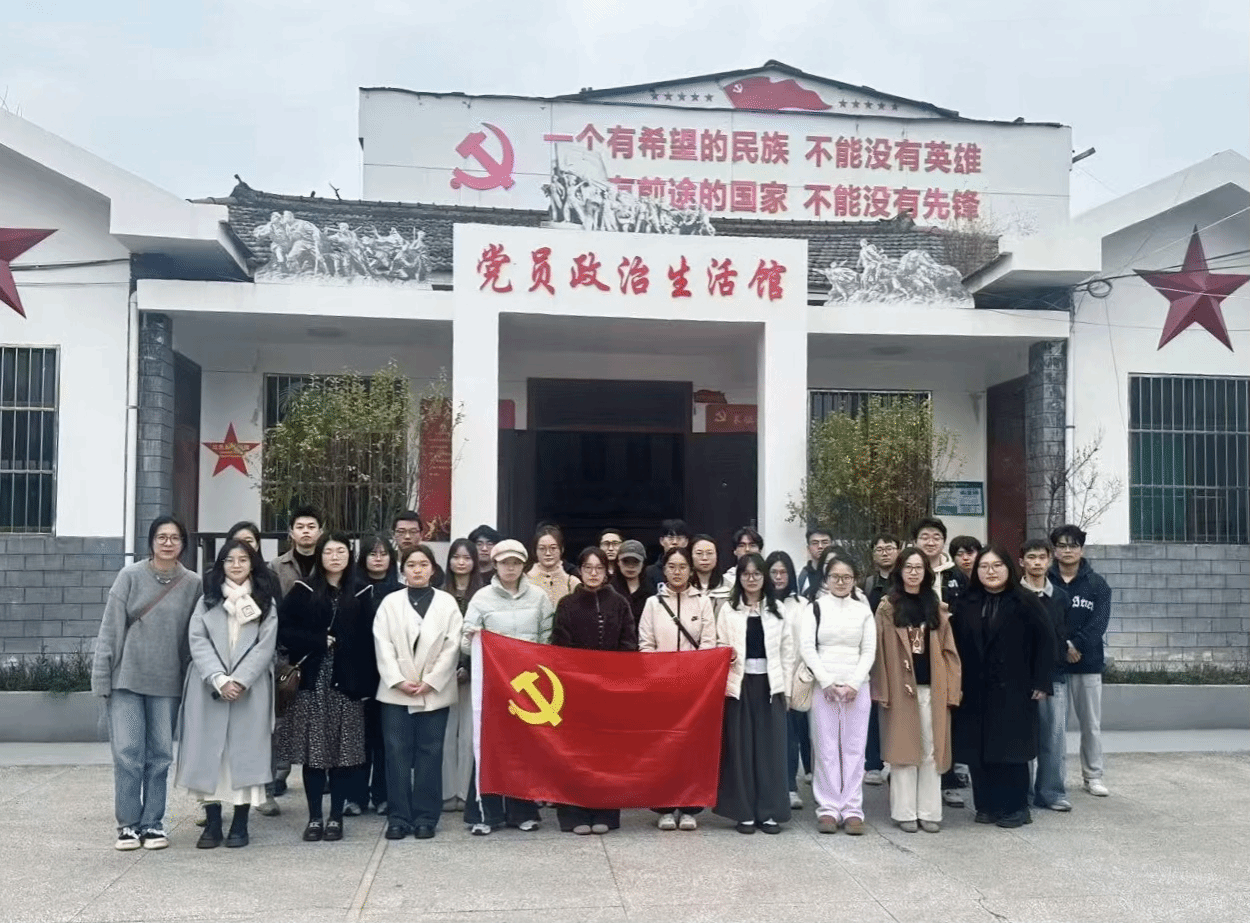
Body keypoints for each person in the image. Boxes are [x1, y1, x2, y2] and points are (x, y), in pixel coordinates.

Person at [91, 516, 203, 851]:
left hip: (167, 683)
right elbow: (110, 629)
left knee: (160, 756)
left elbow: (194, 637)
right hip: (126, 680)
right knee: (128, 755)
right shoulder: (129, 576)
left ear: (183, 544)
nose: (168, 543)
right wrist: (101, 677)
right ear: (151, 541)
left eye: (174, 537)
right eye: (161, 537)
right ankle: (127, 825)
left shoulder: (193, 583)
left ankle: (153, 824)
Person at [177, 540, 280, 849]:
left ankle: (240, 823)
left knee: (243, 758)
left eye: (243, 559)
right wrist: (219, 679)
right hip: (209, 688)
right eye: (230, 560)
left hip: (250, 691)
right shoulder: (207, 601)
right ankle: (212, 824)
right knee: (209, 757)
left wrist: (240, 680)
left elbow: (265, 647)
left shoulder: (265, 602)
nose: (236, 565)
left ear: (253, 564)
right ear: (220, 565)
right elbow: (197, 640)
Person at [276, 532, 378, 843]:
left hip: (347, 685)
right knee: (314, 755)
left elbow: (370, 642)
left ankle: (336, 817)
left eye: (341, 551)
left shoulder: (362, 591)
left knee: (342, 756)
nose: (335, 557)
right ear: (320, 556)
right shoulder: (303, 590)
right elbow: (283, 630)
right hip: (313, 684)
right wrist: (317, 640)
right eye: (329, 552)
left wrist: (366, 685)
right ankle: (314, 817)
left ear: (350, 556)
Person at [950, 545, 1053, 828]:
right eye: (984, 566)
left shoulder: (1025, 601)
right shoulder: (966, 602)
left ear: (1009, 568)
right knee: (979, 749)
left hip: (1015, 688)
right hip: (974, 688)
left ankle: (1016, 808)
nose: (991, 572)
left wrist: (1042, 681)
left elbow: (1046, 642)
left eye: (997, 566)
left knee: (1011, 751)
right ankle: (986, 806)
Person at [461, 539, 556, 835]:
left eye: (516, 563)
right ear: (495, 565)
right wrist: (474, 638)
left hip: (528, 686)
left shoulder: (539, 597)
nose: (510, 568)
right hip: (494, 684)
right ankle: (484, 814)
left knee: (522, 748)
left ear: (523, 565)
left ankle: (522, 813)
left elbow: (547, 638)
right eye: (505, 563)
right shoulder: (481, 598)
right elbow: (464, 642)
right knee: (489, 746)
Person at [373, 544, 463, 840]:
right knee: (396, 753)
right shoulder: (390, 603)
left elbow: (452, 646)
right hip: (395, 692)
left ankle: (426, 817)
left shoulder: (447, 603)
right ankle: (398, 817)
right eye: (411, 565)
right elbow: (382, 644)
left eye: (423, 564)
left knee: (430, 753)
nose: (417, 570)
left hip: (434, 691)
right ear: (403, 571)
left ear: (433, 569)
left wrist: (432, 680)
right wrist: (398, 680)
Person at [871, 547, 961, 833]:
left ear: (926, 572)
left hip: (933, 688)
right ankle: (905, 812)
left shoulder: (936, 607)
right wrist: (881, 690)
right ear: (899, 571)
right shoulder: (887, 607)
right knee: (903, 751)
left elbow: (949, 652)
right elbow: (878, 652)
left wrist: (952, 690)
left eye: (918, 568)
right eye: (908, 567)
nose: (913, 573)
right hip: (900, 689)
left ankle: (930, 812)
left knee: (932, 750)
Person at [551, 547, 638, 834]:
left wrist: (613, 677)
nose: (593, 573)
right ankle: (574, 814)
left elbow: (629, 644)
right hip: (575, 691)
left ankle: (606, 813)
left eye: (598, 568)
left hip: (610, 692)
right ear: (579, 570)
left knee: (607, 755)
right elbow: (560, 647)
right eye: (587, 568)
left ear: (607, 571)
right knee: (573, 754)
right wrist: (580, 677)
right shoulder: (567, 604)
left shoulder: (620, 603)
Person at [714, 553, 795, 834]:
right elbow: (719, 644)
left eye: (757, 574)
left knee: (770, 750)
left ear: (765, 577)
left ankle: (769, 813)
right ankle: (744, 812)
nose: (751, 579)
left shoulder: (777, 609)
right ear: (739, 577)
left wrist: (787, 691)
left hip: (770, 687)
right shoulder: (729, 610)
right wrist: (727, 655)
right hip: (739, 685)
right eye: (746, 574)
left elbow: (788, 652)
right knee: (741, 749)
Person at [638, 546, 717, 831]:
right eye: (671, 567)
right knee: (664, 748)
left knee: (692, 748)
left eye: (682, 567)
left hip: (694, 689)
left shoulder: (703, 602)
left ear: (690, 570)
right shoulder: (653, 604)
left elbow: (709, 643)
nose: (677, 572)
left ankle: (690, 808)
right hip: (662, 687)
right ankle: (664, 807)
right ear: (664, 570)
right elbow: (645, 644)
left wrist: (695, 675)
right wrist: (658, 675)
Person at [801, 552, 876, 835]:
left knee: (855, 749)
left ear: (854, 579)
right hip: (824, 687)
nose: (841, 582)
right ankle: (829, 808)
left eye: (847, 577)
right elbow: (807, 648)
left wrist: (855, 683)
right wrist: (826, 681)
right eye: (835, 577)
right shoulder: (815, 608)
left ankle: (853, 808)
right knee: (826, 747)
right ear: (826, 579)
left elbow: (868, 649)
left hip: (858, 686)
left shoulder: (863, 610)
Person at [1047, 524, 1113, 798]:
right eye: (1062, 545)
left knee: (1091, 725)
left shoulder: (1097, 584)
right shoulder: (1045, 581)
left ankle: (1093, 776)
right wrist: (1063, 646)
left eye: (1073, 545)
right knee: (1054, 728)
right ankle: (1055, 779)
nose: (1067, 550)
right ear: (1054, 550)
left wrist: (1076, 645)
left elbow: (1099, 623)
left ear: (1081, 550)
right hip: (1054, 664)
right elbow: (1043, 620)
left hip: (1088, 664)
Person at [912, 517, 969, 808]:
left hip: (949, 652)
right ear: (915, 541)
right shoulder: (909, 571)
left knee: (948, 718)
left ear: (943, 541)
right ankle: (912, 780)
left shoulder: (957, 575)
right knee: (917, 720)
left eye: (936, 537)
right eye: (925, 536)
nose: (930, 542)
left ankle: (948, 780)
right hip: (918, 657)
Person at [345, 535, 402, 817]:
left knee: (385, 739)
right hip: (359, 671)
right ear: (363, 558)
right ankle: (355, 796)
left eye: (383, 553)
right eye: (372, 554)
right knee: (359, 738)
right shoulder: (351, 589)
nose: (378, 559)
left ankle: (383, 795)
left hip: (392, 673)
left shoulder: (400, 592)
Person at [1019, 538, 1073, 812]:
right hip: (1020, 678)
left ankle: (1051, 792)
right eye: (1031, 557)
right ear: (1021, 562)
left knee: (1053, 739)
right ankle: (1023, 793)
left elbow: (1063, 635)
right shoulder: (1014, 595)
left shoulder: (1060, 597)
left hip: (1054, 677)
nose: (1037, 562)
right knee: (1022, 738)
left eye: (1042, 557)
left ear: (1050, 561)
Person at [765, 550, 811, 810]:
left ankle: (790, 786)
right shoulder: (760, 603)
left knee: (790, 736)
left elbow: (804, 644)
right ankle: (768, 786)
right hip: (764, 678)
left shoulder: (802, 605)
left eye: (783, 572)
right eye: (774, 572)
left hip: (793, 678)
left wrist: (795, 678)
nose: (779, 577)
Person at [440, 539, 484, 813]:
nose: (461, 562)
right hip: (443, 673)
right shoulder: (439, 592)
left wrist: (466, 665)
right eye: (456, 557)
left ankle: (465, 792)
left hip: (475, 672)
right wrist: (451, 666)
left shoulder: (483, 593)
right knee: (446, 734)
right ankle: (446, 792)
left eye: (467, 558)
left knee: (469, 735)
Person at [861, 533, 900, 786]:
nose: (885, 553)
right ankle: (873, 763)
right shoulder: (867, 584)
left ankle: (897, 760)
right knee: (874, 708)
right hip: (874, 655)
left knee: (899, 709)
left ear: (898, 551)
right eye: (879, 549)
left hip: (900, 655)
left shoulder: (906, 580)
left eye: (889, 548)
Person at [270, 505, 323, 597]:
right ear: (291, 533)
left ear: (320, 532)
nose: (305, 531)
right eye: (300, 527)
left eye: (311, 527)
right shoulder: (276, 566)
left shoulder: (327, 563)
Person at [528, 524, 580, 610]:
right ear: (535, 551)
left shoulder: (572, 582)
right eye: (542, 548)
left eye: (553, 548)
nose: (548, 553)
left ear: (561, 549)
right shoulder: (526, 581)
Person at [609, 539, 654, 625]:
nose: (630, 566)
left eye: (635, 561)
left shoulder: (652, 591)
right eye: (625, 561)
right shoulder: (609, 590)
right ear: (618, 562)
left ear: (643, 563)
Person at [690, 534, 731, 621]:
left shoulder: (729, 587)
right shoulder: (684, 587)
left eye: (709, 553)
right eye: (699, 553)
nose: (704, 558)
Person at [644, 518, 691, 587]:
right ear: (661, 541)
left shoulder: (693, 569)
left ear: (686, 542)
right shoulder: (650, 571)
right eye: (670, 538)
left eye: (679, 538)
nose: (675, 542)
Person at [796, 528, 833, 598]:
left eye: (825, 542)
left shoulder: (842, 573)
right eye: (815, 543)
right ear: (808, 548)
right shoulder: (800, 576)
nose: (820, 546)